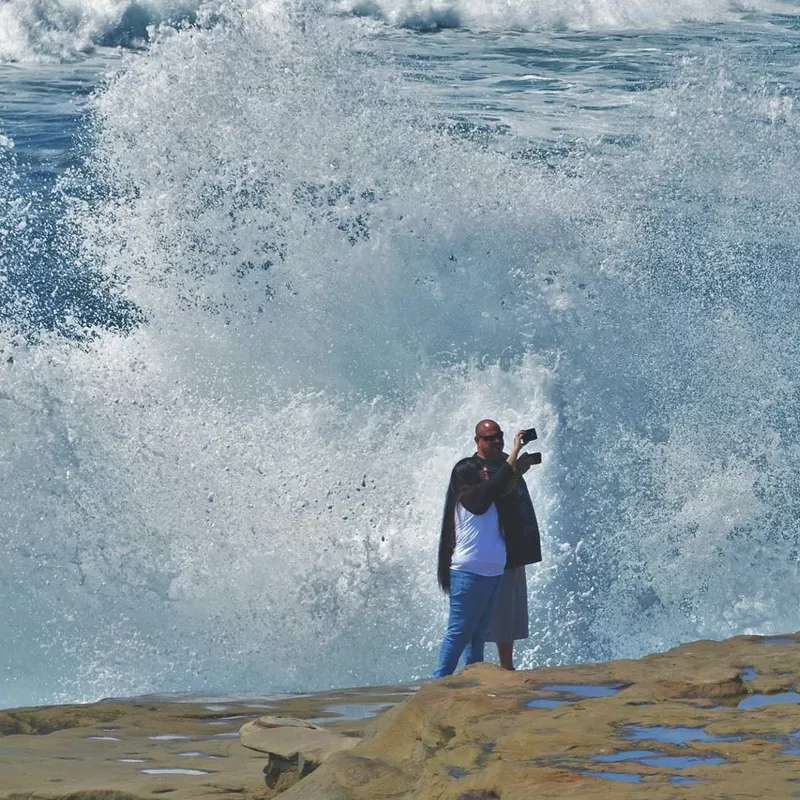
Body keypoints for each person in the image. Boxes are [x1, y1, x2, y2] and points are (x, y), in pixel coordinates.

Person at [434, 429, 526, 678]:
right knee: (459, 632)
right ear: (467, 477)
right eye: (480, 470)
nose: (486, 471)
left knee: (478, 634)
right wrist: (515, 450)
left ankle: (472, 679)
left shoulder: (488, 496)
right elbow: (494, 486)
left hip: (491, 573)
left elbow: (502, 488)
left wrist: (518, 471)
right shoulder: (469, 497)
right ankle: (438, 681)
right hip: (468, 574)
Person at [473, 419, 542, 670]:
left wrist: (517, 464)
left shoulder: (503, 463)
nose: (496, 441)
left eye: (499, 436)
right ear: (477, 441)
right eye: (490, 438)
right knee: (490, 608)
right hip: (493, 547)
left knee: (509, 607)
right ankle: (477, 663)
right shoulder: (477, 468)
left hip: (512, 545)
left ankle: (506, 665)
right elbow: (497, 492)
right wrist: (515, 462)